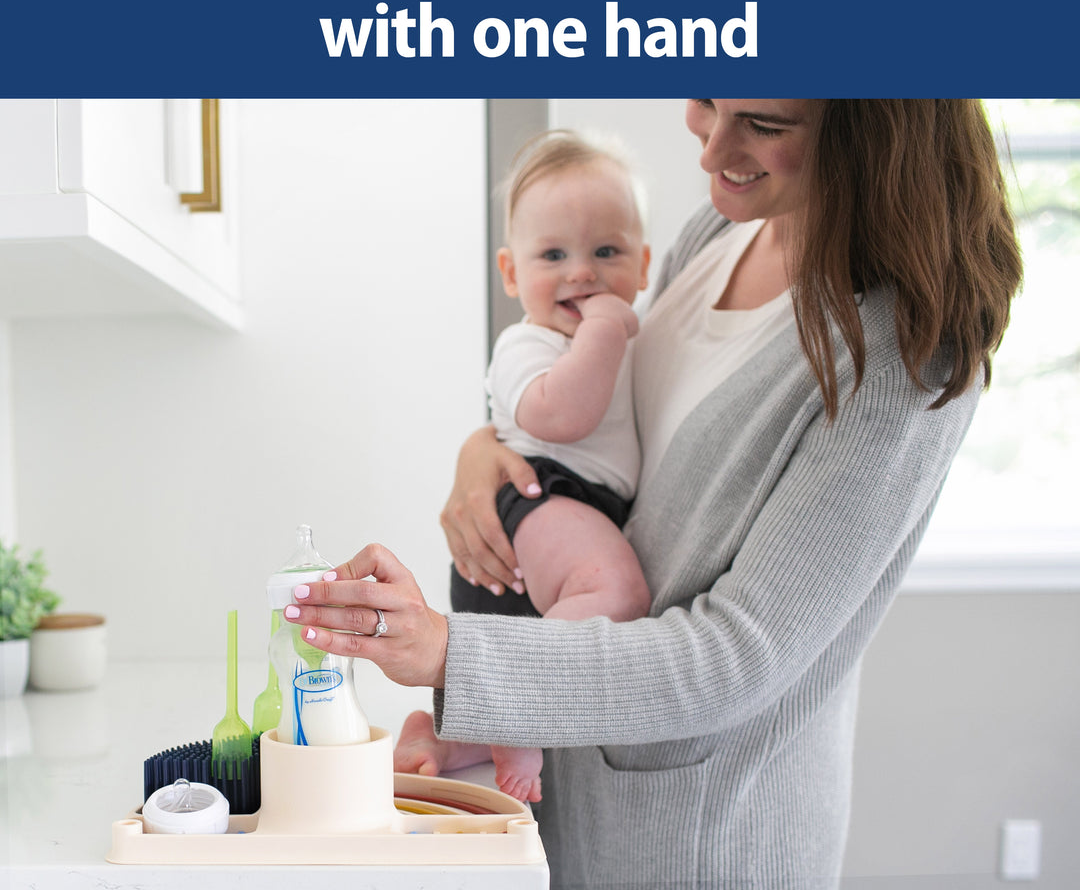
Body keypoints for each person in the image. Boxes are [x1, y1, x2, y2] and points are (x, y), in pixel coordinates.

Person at [283, 100, 1023, 890]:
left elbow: (737, 656)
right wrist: (485, 451)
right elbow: (608, 414)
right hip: (568, 791)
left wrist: (451, 654)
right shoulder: (722, 232)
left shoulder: (902, 358)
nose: (712, 152)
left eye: (765, 126)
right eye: (708, 98)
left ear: (872, 128)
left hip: (698, 842)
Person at [439, 129, 653, 801]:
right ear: (511, 272)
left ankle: (440, 734)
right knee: (617, 593)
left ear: (643, 266)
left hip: (568, 517)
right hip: (542, 496)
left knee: (597, 595)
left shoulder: (623, 341)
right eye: (553, 254)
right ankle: (516, 707)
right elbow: (562, 417)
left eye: (606, 251)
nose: (581, 272)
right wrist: (602, 331)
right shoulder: (525, 343)